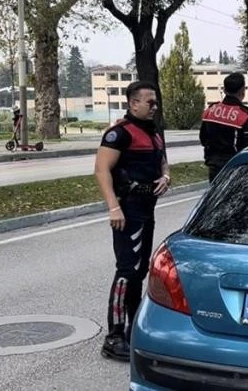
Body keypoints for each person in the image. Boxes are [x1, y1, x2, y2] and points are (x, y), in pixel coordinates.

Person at [93, 81, 170, 361]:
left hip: (147, 209)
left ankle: (134, 328)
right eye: (150, 102)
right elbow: (101, 170)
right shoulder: (119, 134)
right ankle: (114, 336)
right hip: (127, 210)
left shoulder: (153, 132)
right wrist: (113, 207)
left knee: (139, 270)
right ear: (133, 103)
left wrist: (166, 176)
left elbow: (162, 161)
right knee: (126, 271)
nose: (154, 107)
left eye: (155, 102)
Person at [199, 72, 248, 182]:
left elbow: (203, 139)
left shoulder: (210, 111)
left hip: (214, 168)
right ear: (242, 91)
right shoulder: (244, 117)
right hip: (236, 170)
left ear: (224, 90)